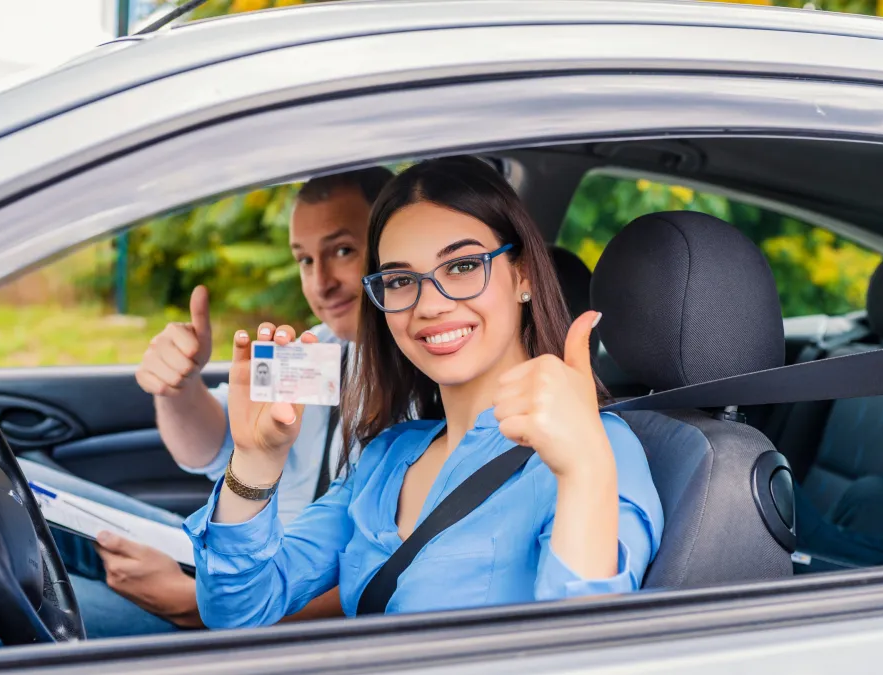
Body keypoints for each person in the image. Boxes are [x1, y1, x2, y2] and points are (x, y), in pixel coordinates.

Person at [184, 157, 663, 625]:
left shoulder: (597, 447)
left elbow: (586, 653)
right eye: (400, 279)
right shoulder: (388, 457)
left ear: (523, 276)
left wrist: (584, 468)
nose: (429, 304)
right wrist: (255, 461)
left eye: (461, 266)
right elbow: (238, 610)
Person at [0, 167, 393, 650]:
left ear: (391, 244)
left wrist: (195, 605)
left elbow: (376, 583)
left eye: (342, 251)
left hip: (268, 616)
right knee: (18, 485)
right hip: (243, 561)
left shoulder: (426, 397)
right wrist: (178, 386)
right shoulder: (321, 351)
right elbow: (214, 445)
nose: (320, 282)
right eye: (304, 260)